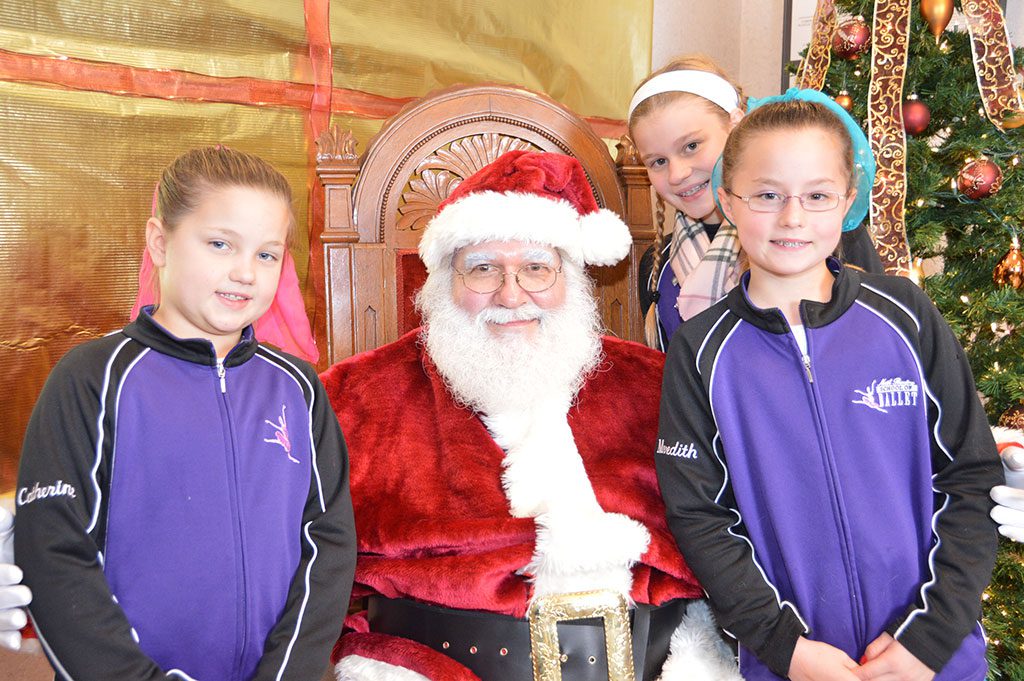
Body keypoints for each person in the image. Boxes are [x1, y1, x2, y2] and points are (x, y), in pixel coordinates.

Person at [321, 150, 740, 681]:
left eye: (536, 269)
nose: (511, 294)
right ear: (444, 280)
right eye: (483, 270)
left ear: (571, 277)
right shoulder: (357, 396)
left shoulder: (656, 384)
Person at [655, 91, 1002, 681]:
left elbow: (969, 477)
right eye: (767, 195)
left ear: (846, 201)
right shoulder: (699, 350)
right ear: (728, 200)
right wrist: (784, 647)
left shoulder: (906, 315)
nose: (792, 217)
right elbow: (700, 516)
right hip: (793, 664)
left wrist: (930, 639)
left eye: (817, 196)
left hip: (933, 659)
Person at [13, 146, 357, 680]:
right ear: (160, 242)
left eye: (268, 255)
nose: (245, 272)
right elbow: (54, 552)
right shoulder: (92, 378)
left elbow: (328, 541)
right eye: (220, 244)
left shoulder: (298, 386)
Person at [628, 54, 883, 350]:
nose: (677, 174)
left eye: (691, 146)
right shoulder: (657, 267)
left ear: (736, 125)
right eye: (658, 161)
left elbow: (875, 342)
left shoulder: (819, 233)